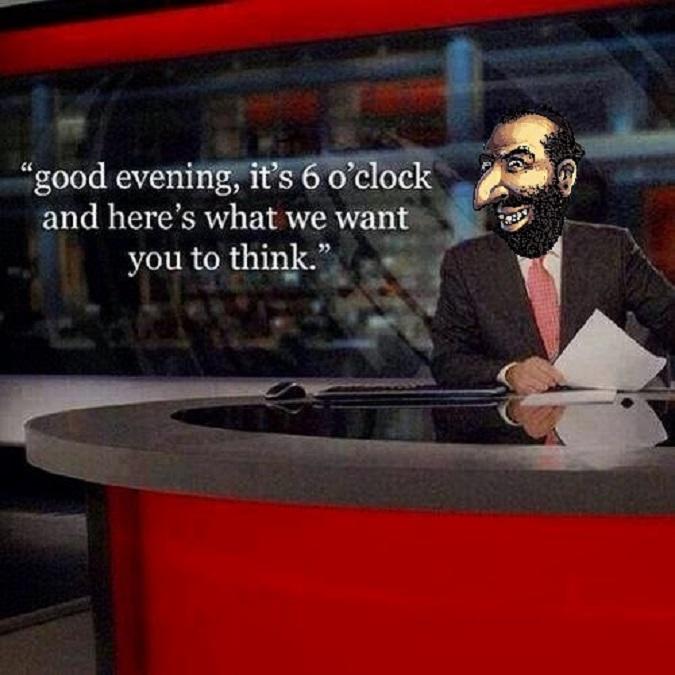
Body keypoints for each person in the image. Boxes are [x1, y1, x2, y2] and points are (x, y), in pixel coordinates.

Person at [431, 105, 675, 394]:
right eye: (489, 168)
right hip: (512, 420)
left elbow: (670, 319)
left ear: (564, 176)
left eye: (517, 165)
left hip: (602, 420)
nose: (488, 190)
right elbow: (448, 360)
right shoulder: (466, 263)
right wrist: (508, 372)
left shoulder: (613, 250)